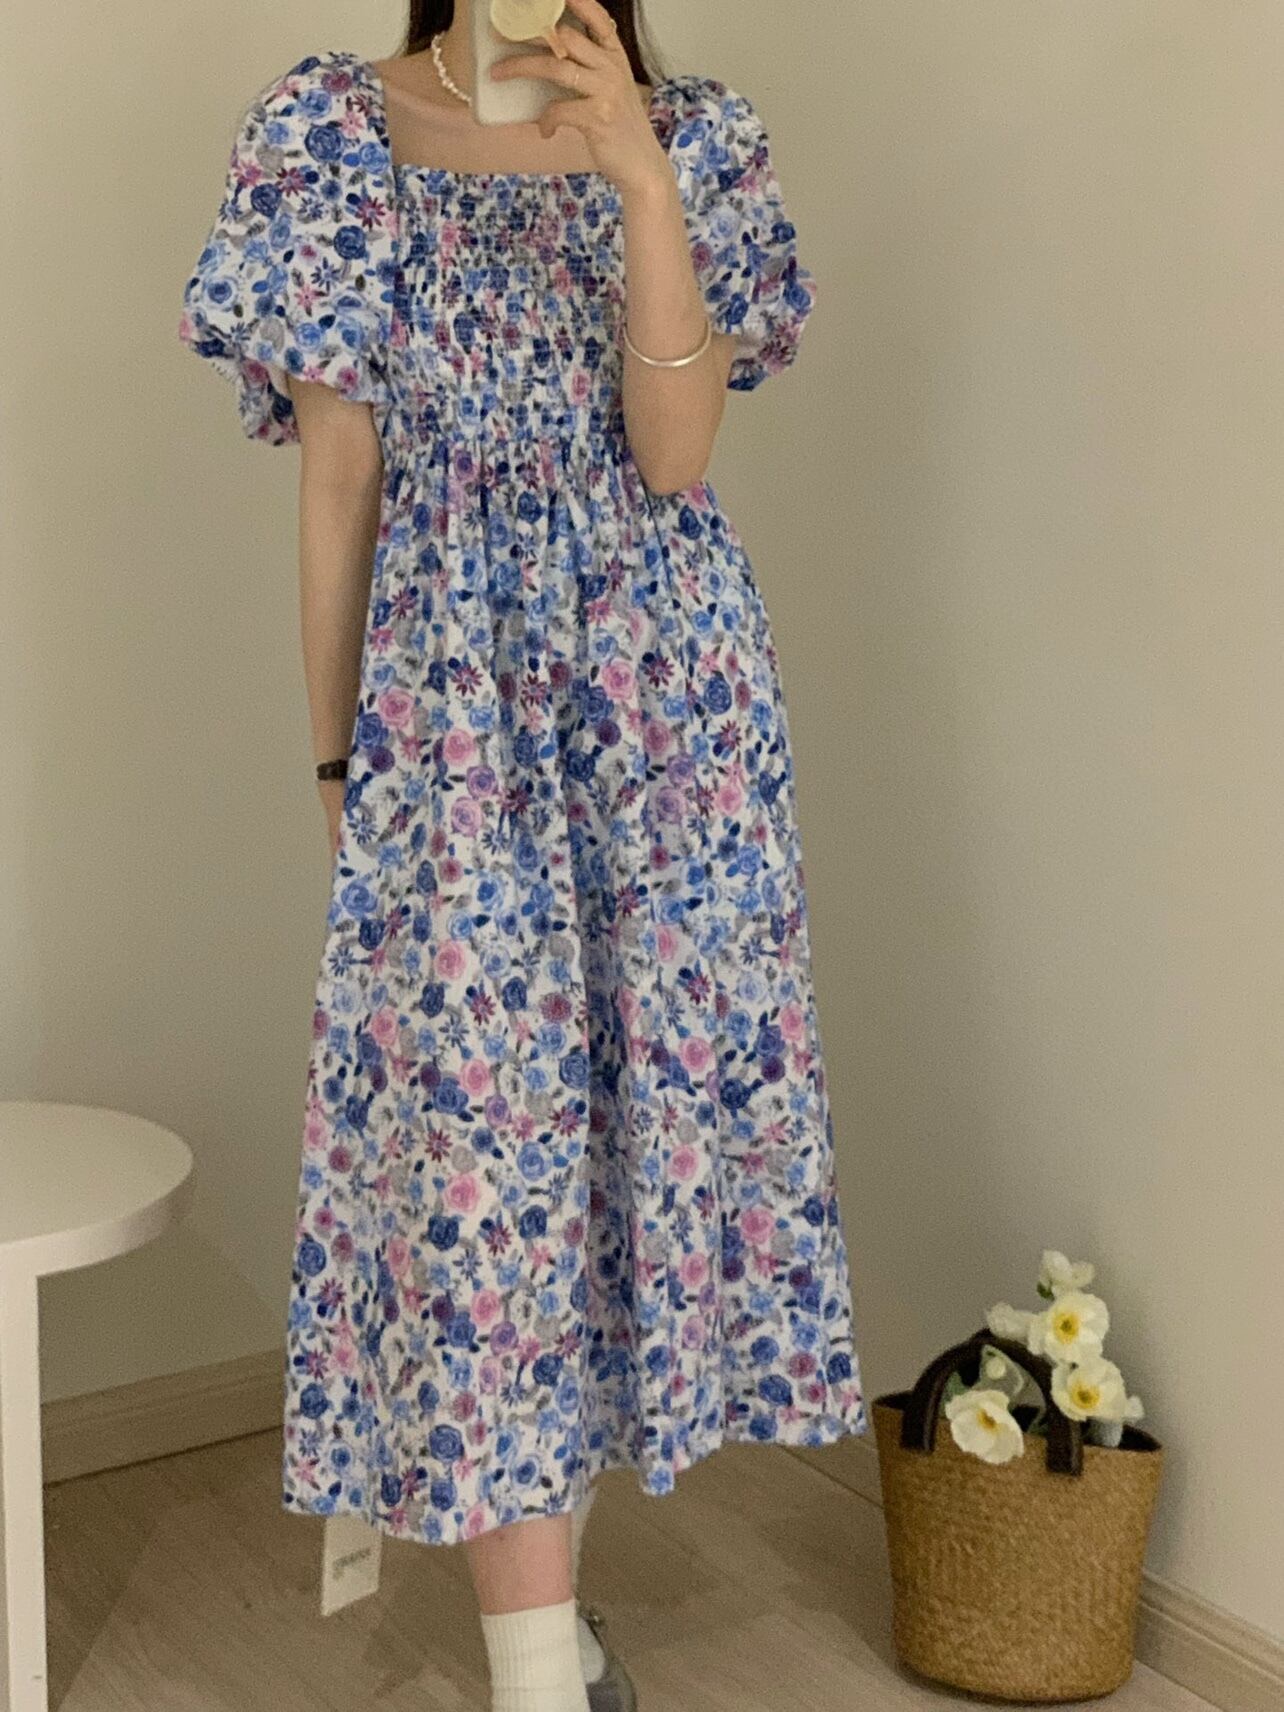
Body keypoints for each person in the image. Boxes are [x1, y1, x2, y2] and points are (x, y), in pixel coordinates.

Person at [177, 2, 867, 1706]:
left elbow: (675, 456)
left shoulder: (695, 139)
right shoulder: (333, 133)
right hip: (452, 710)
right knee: (481, 1165)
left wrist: (638, 176)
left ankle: (551, 1642)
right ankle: (538, 1672)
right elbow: (339, 481)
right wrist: (339, 757)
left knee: (626, 1152)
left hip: (669, 721)